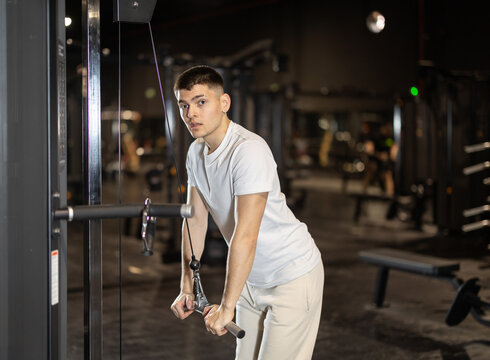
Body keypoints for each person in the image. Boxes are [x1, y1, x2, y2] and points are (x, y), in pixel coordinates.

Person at [170, 65, 324, 360]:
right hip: (250, 280)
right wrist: (187, 285)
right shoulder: (195, 153)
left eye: (201, 102)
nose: (191, 113)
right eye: (184, 105)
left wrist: (227, 308)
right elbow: (195, 220)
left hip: (291, 275)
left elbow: (246, 236)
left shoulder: (248, 151)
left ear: (224, 103)